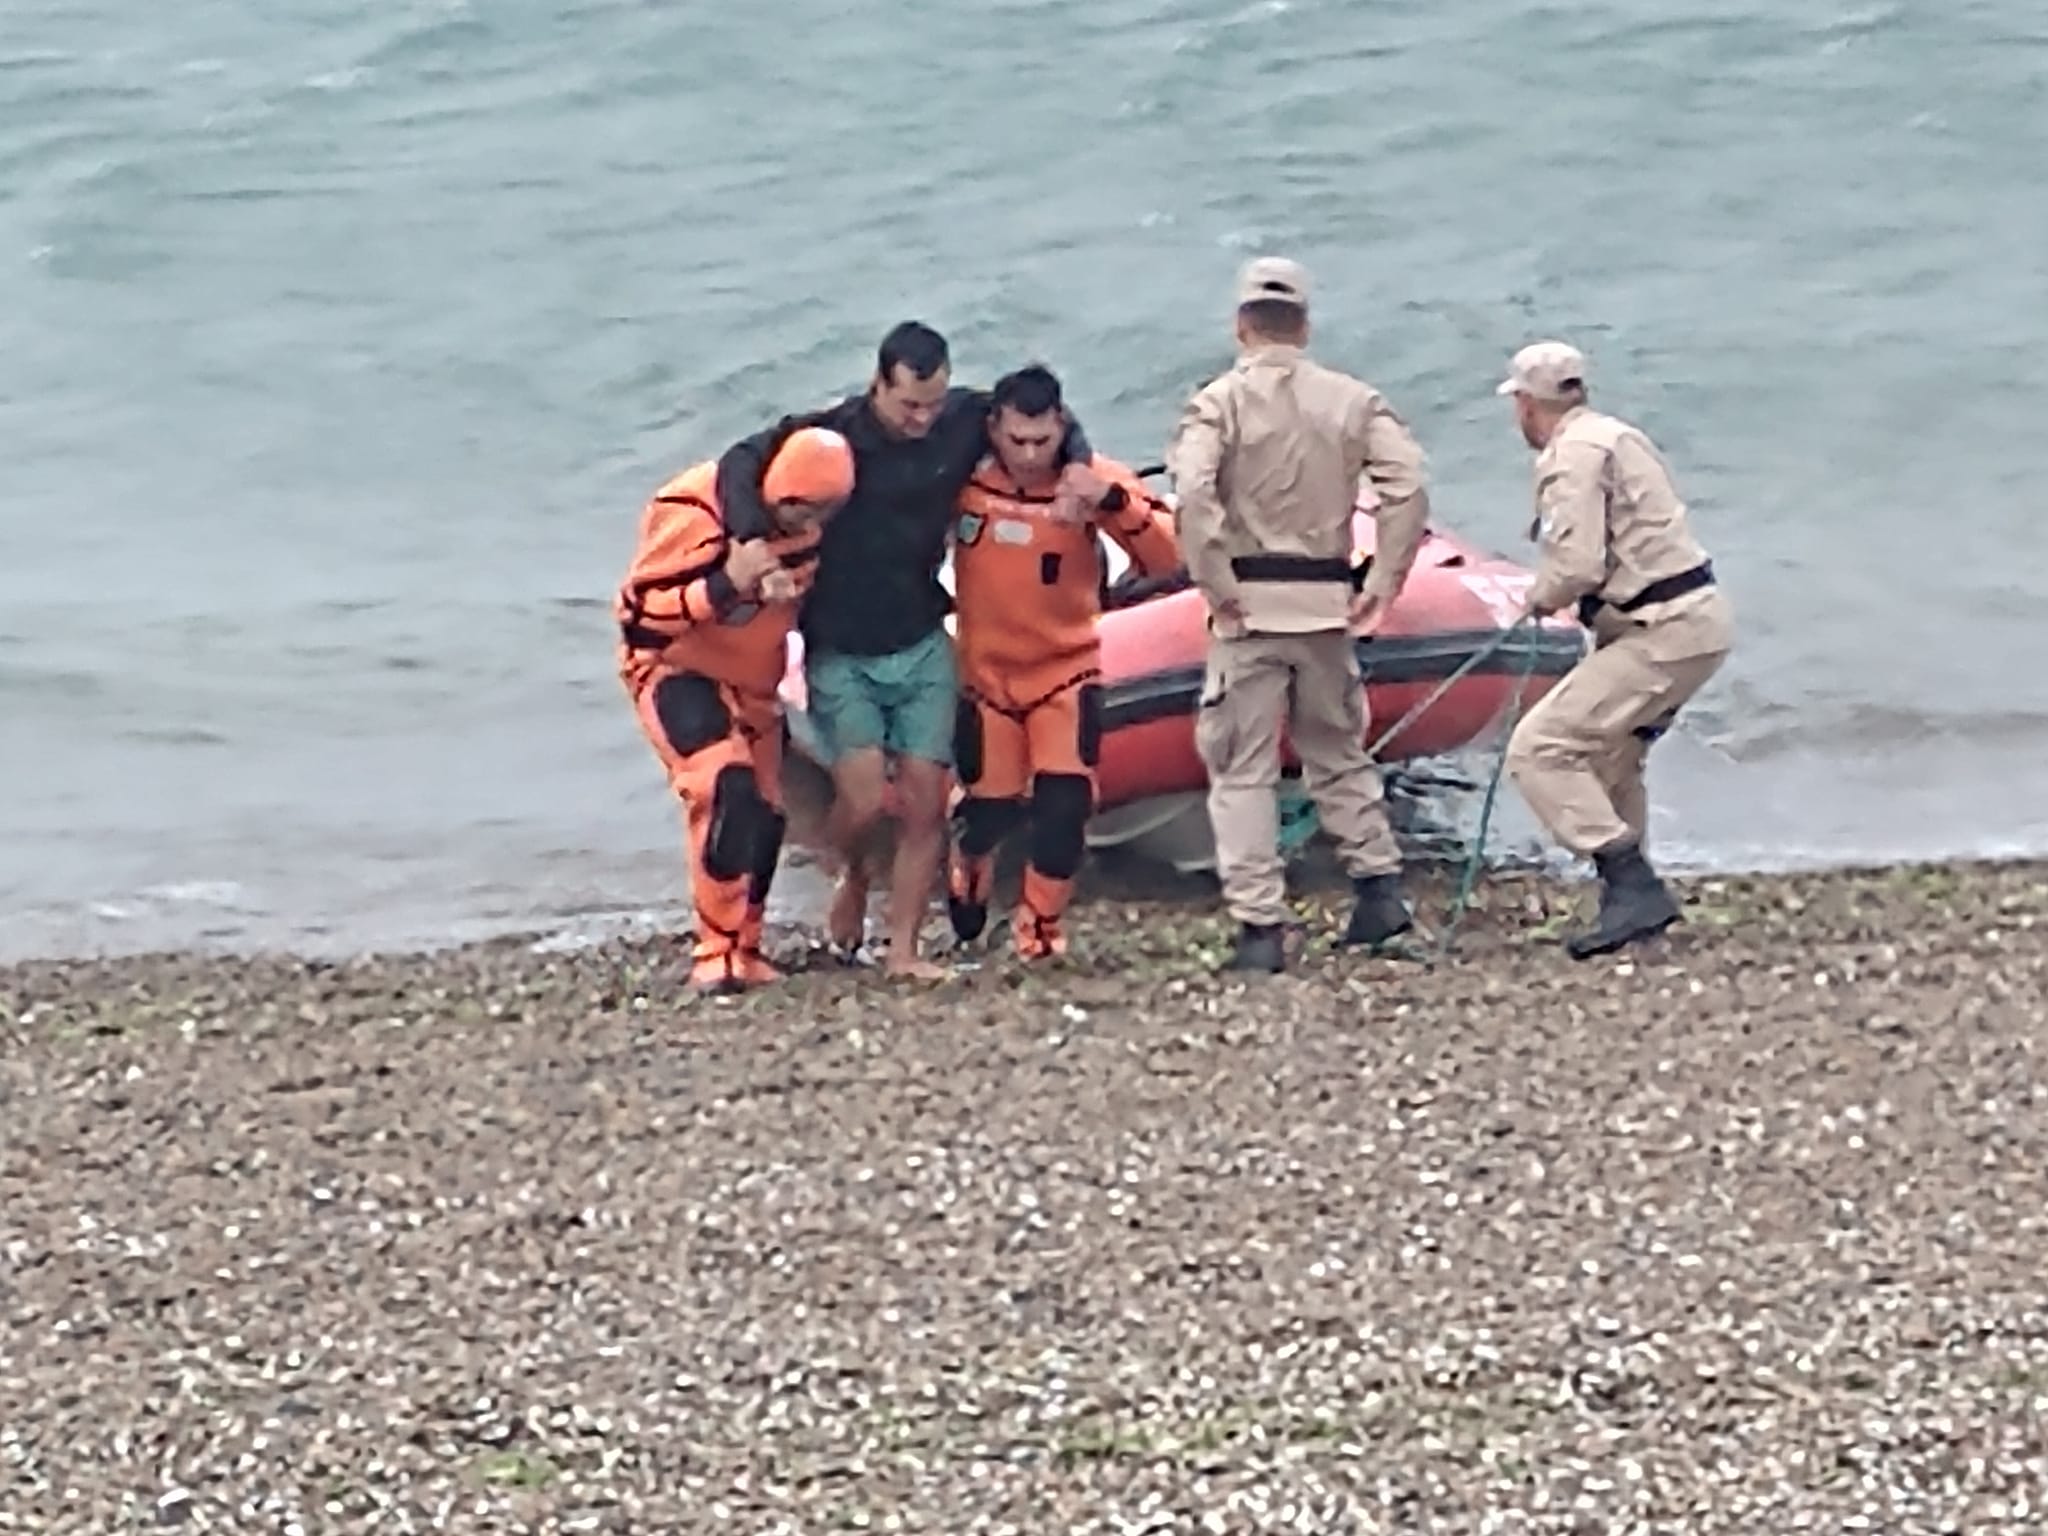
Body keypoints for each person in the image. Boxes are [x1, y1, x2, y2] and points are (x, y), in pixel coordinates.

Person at [712, 323, 1100, 979]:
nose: (923, 418)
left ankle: (903, 952)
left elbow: (1050, 418)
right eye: (909, 405)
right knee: (863, 799)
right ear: (878, 386)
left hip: (921, 639)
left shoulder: (961, 419)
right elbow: (740, 462)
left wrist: (1080, 467)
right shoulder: (835, 435)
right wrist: (749, 537)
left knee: (926, 804)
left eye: (932, 403)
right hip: (841, 643)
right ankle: (855, 877)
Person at [1165, 256, 1433, 974]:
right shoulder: (1352, 401)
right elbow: (1406, 485)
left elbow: (1191, 492)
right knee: (1338, 751)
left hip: (1248, 609)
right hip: (1324, 605)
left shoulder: (1217, 404)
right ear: (1305, 326)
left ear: (1240, 325)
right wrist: (1385, 578)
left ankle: (1261, 925)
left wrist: (1213, 578)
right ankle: (1378, 890)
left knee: (1242, 770)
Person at [1495, 340, 1735, 958]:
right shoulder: (1616, 436)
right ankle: (1631, 903)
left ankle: (1631, 882)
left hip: (1663, 630)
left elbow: (1576, 563)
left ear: (1525, 404)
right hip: (1693, 623)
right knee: (1613, 758)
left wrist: (1540, 598)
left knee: (1539, 749)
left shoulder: (1569, 455)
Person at [943, 364, 1184, 960]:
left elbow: (1171, 559)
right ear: (994, 427)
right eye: (1016, 441)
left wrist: (1112, 505)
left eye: (1041, 441)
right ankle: (966, 868)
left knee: (1065, 805)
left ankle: (1041, 930)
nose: (1028, 455)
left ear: (1061, 426)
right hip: (986, 678)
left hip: (1065, 671)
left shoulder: (1091, 481)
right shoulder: (963, 479)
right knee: (990, 811)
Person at [615, 427, 856, 993]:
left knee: (769, 814)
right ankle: (713, 950)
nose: (818, 527)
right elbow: (641, 617)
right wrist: (728, 584)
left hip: (755, 687)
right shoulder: (695, 513)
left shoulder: (813, 530)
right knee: (723, 785)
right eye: (811, 512)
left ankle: (746, 943)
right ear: (786, 499)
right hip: (678, 667)